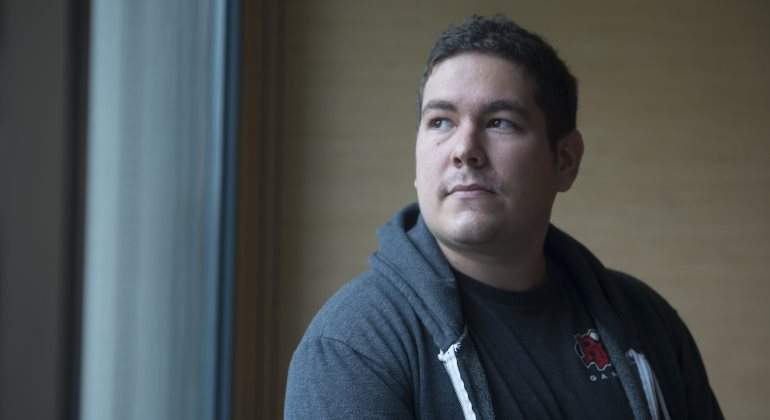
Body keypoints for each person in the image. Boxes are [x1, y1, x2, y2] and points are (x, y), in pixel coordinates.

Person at [284, 15, 723, 420]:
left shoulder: (647, 323)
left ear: (565, 160)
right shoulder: (354, 345)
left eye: (499, 122)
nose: (464, 149)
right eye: (440, 122)